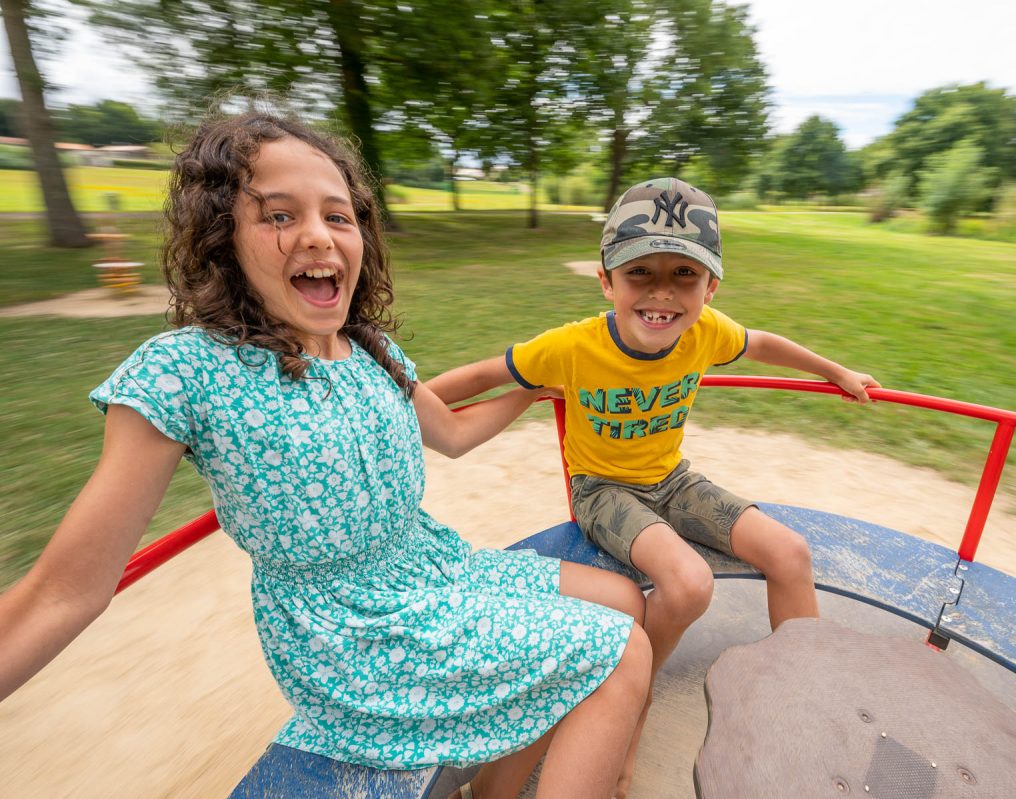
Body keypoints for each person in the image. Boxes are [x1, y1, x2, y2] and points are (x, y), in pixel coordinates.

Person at [0, 111, 652, 799]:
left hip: (431, 569)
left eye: (338, 216)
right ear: (224, 237)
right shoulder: (189, 370)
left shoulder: (370, 348)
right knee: (619, 653)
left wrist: (531, 389)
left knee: (621, 598)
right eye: (279, 215)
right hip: (352, 636)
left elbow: (453, 435)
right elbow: (63, 591)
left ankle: (491, 789)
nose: (317, 234)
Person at [426, 176, 880, 794]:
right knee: (688, 584)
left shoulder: (706, 332)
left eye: (684, 276)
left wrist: (836, 371)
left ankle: (802, 708)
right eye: (640, 272)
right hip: (602, 490)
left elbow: (764, 343)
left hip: (672, 478)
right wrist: (397, 403)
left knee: (791, 553)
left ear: (710, 286)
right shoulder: (571, 347)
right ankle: (633, 702)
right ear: (607, 280)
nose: (662, 294)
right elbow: (480, 374)